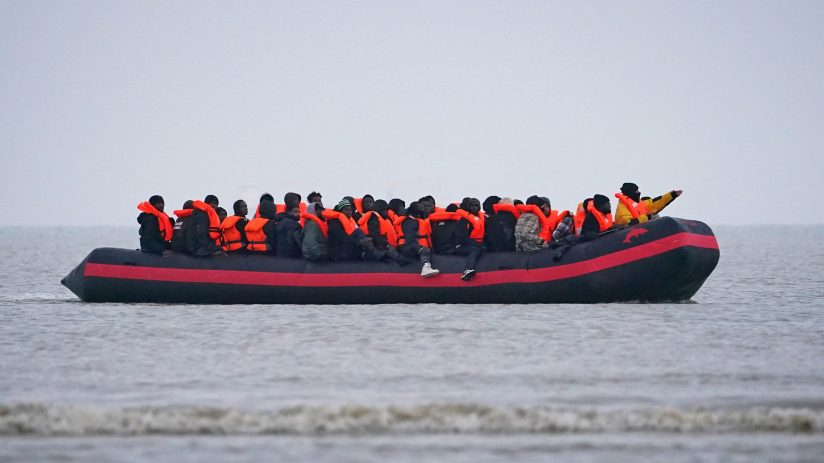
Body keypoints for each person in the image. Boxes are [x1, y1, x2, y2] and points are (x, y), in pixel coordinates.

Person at [358, 199, 409, 265]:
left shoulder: (383, 219)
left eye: (386, 210)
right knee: (394, 264)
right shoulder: (373, 218)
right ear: (379, 210)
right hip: (376, 250)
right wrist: (387, 245)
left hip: (385, 247)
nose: (386, 212)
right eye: (384, 210)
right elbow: (375, 235)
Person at [396, 201, 440, 277]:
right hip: (406, 248)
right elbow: (409, 239)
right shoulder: (409, 222)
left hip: (412, 246)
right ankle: (426, 267)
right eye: (421, 208)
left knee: (426, 249)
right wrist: (420, 249)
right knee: (424, 250)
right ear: (414, 210)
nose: (423, 210)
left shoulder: (416, 220)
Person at [614, 183, 683, 226]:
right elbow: (627, 223)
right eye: (636, 191)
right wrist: (647, 218)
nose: (639, 192)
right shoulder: (622, 207)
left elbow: (656, 203)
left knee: (655, 215)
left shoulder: (641, 203)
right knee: (652, 216)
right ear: (631, 193)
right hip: (631, 234)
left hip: (642, 229)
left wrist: (672, 195)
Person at [453, 198, 485, 280]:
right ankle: (468, 269)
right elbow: (462, 238)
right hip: (460, 246)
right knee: (475, 250)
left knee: (481, 248)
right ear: (468, 207)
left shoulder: (481, 219)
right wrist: (477, 244)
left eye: (476, 206)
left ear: (479, 207)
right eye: (472, 206)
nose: (474, 208)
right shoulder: (464, 220)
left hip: (473, 244)